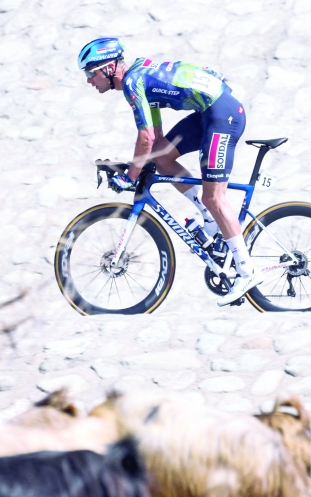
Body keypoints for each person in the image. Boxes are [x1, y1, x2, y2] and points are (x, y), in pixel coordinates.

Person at [78, 37, 262, 306]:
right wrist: (133, 167)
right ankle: (210, 220)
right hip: (210, 112)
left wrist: (129, 177)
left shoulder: (132, 83)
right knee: (162, 158)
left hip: (223, 116)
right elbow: (155, 141)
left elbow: (145, 137)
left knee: (215, 198)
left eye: (90, 73)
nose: (88, 81)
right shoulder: (138, 78)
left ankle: (247, 272)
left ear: (108, 68)